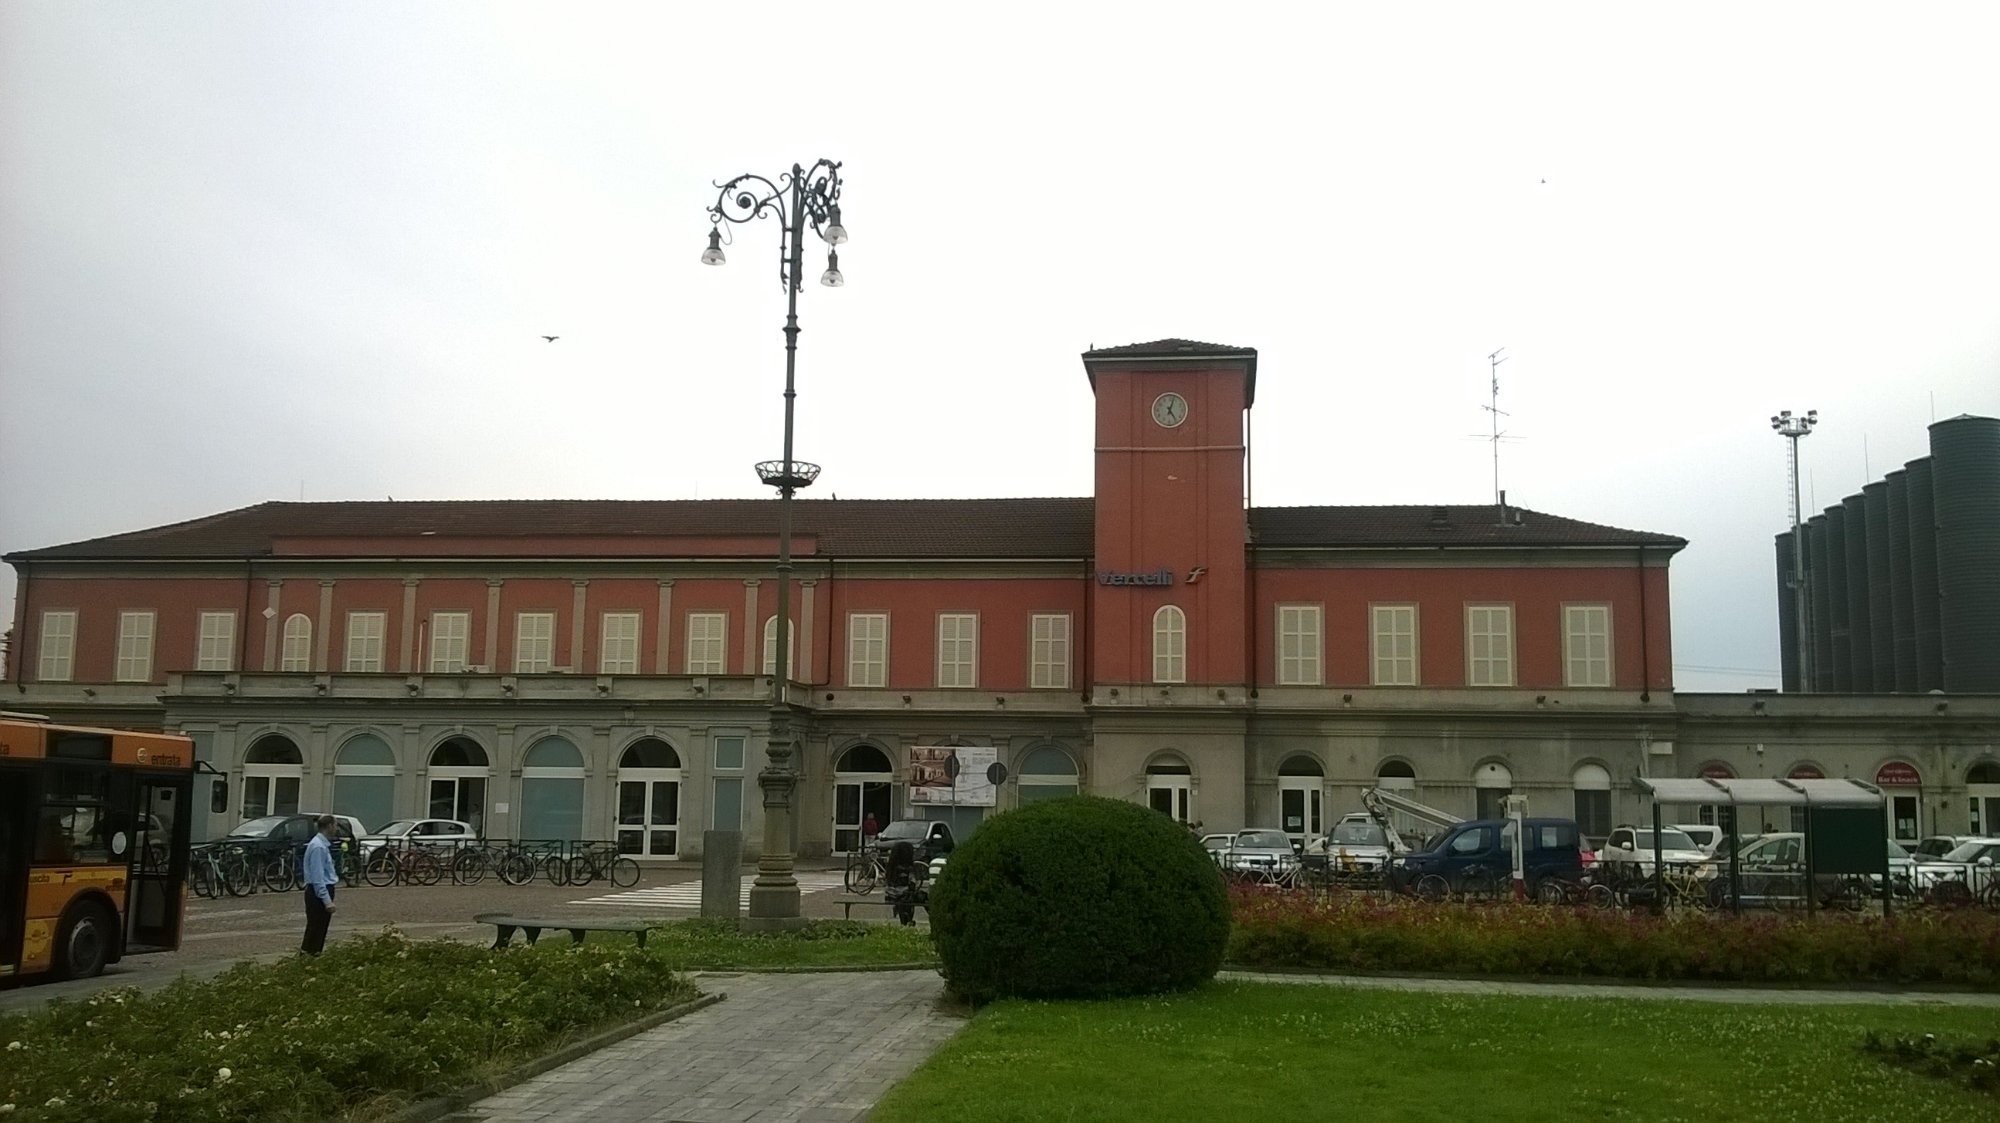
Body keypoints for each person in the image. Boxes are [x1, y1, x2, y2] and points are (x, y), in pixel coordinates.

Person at [301, 813, 339, 955]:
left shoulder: (320, 844)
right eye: (335, 825)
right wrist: (327, 900)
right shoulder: (318, 847)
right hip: (318, 893)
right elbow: (318, 877)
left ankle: (310, 956)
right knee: (316, 929)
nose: (336, 829)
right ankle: (309, 957)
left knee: (317, 929)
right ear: (329, 826)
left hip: (317, 891)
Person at [883, 840, 923, 926]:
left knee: (906, 899)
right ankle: (908, 920)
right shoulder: (908, 869)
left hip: (891, 893)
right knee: (920, 897)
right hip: (904, 894)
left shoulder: (892, 867)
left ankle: (904, 919)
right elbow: (912, 884)